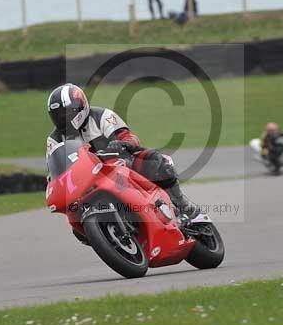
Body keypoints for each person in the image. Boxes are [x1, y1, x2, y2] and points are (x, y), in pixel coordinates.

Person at [45, 83, 206, 226]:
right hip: (87, 179)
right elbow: (54, 167)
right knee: (73, 215)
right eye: (57, 116)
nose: (61, 120)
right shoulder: (54, 139)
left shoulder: (101, 116)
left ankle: (183, 206)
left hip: (118, 163)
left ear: (80, 108)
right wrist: (52, 181)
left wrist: (122, 143)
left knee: (157, 162)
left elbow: (129, 137)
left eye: (65, 114)